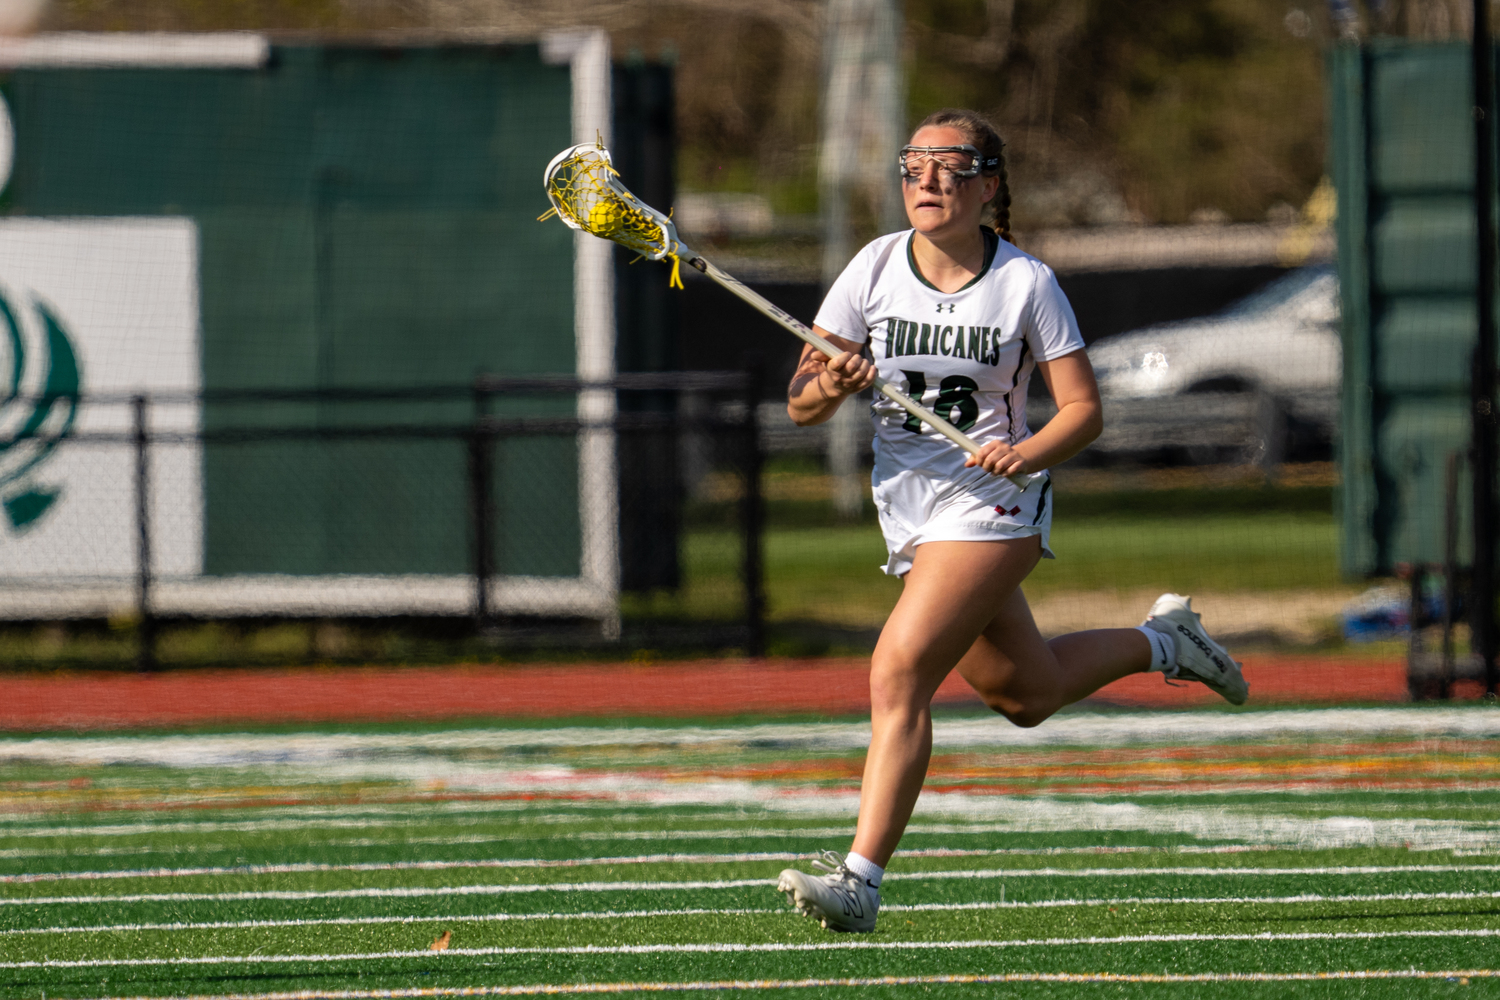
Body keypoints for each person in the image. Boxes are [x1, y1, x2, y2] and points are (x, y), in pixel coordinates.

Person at [775, 108, 1247, 934]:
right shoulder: (874, 265)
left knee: (898, 671)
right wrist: (837, 385)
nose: (923, 178)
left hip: (993, 502)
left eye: (946, 164)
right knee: (1023, 694)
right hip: (911, 508)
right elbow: (801, 403)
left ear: (987, 183)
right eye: (911, 163)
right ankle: (1169, 643)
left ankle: (860, 880)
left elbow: (1083, 412)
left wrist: (1026, 454)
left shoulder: (1026, 282)